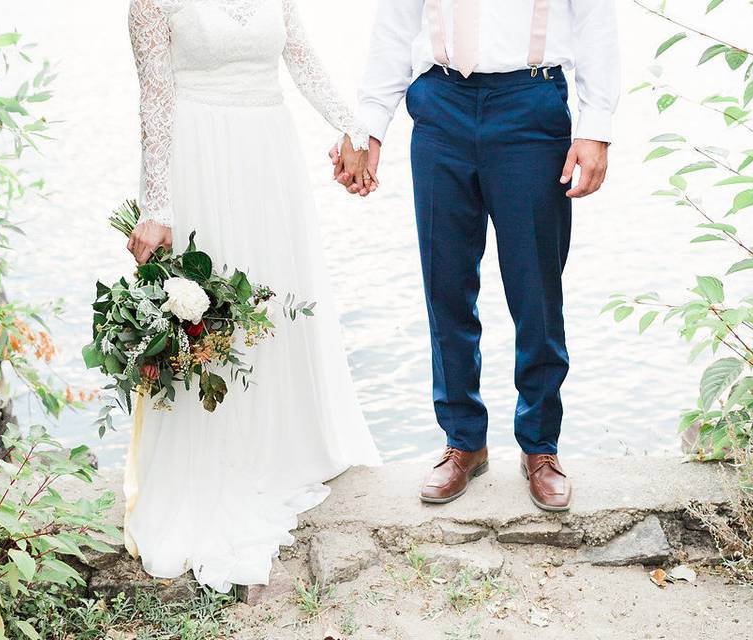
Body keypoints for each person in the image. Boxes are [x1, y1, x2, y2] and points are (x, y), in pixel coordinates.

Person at [122, 0, 380, 593]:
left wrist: (353, 127)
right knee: (216, 314)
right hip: (200, 157)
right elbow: (154, 99)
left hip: (270, 156)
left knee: (275, 300)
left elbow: (301, 57)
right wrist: (157, 208)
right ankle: (216, 459)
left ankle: (279, 447)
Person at [333, 0, 619, 511]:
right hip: (440, 106)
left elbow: (595, 19)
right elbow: (394, 28)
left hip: (531, 103)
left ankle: (540, 446)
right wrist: (369, 127)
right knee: (446, 286)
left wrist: (596, 127)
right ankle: (464, 441)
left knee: (536, 293)